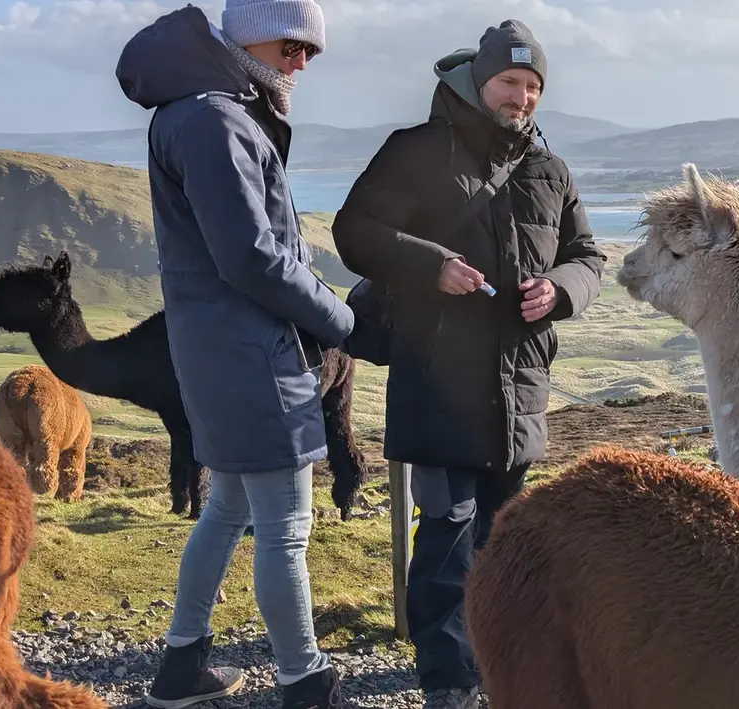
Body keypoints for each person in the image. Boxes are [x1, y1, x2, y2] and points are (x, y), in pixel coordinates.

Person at [330, 18, 605, 709]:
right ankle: (447, 680)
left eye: (533, 86)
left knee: (503, 543)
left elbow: (587, 257)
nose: (522, 97)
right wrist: (432, 265)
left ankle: (501, 672)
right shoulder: (417, 150)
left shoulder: (551, 170)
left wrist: (560, 291)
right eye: (511, 81)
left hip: (521, 385)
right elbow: (354, 232)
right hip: (436, 378)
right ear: (479, 82)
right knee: (448, 533)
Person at [116, 1, 361, 707]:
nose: (302, 62)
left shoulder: (195, 111)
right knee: (285, 527)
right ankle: (305, 680)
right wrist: (342, 319)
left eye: (312, 51)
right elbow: (253, 257)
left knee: (224, 506)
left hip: (218, 352)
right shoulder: (216, 120)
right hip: (256, 355)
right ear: (249, 36)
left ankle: (181, 666)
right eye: (292, 45)